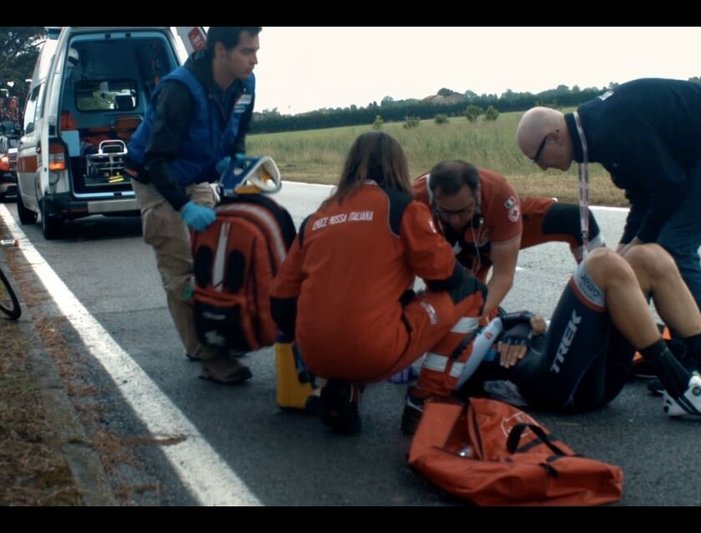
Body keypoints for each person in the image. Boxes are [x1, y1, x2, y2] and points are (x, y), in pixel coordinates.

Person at [516, 78, 701, 344]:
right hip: (697, 152)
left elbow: (669, 187)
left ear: (554, 137)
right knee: (640, 254)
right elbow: (642, 195)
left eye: (537, 158)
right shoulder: (592, 132)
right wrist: (624, 248)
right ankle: (662, 347)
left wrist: (637, 243)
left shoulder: (609, 128)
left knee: (673, 249)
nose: (541, 167)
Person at [270, 132, 487, 435]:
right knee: (473, 291)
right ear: (398, 166)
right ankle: (426, 398)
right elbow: (445, 276)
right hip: (373, 351)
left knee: (374, 307)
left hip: (313, 354)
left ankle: (344, 387)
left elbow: (280, 300)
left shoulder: (317, 217)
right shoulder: (402, 208)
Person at [458, 244, 701, 418]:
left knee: (647, 256)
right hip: (555, 388)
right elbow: (454, 372)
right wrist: (506, 327)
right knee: (601, 263)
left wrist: (518, 321)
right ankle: (681, 387)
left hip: (590, 371)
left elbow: (539, 323)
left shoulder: (492, 310)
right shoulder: (436, 328)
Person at [126, 27, 261, 383]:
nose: (254, 59)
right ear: (220, 50)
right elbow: (156, 160)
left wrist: (235, 163)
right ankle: (207, 353)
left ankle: (216, 332)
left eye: (256, 51)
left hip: (198, 175)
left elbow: (238, 133)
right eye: (247, 52)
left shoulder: (245, 86)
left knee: (213, 260)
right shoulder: (179, 90)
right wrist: (184, 208)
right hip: (157, 180)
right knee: (182, 269)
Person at [412, 161, 604, 319]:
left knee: (577, 220)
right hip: (455, 252)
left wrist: (471, 318)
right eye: (446, 211)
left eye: (463, 211)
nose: (455, 220)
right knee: (459, 308)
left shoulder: (500, 194)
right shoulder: (413, 199)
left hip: (497, 230)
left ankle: (603, 298)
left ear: (477, 193)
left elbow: (504, 276)